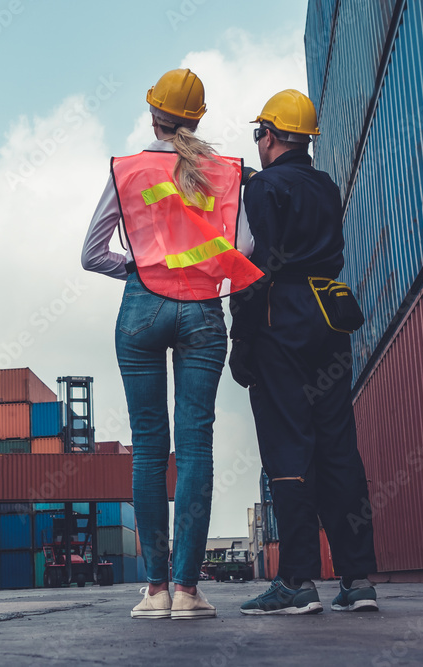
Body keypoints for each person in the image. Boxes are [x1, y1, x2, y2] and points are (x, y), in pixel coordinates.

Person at [82, 68, 262, 620]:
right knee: (196, 445)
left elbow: (91, 254)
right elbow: (246, 246)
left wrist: (139, 269)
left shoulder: (127, 171)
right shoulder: (226, 174)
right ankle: (187, 591)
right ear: (196, 119)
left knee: (149, 445)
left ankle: (154, 590)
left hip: (141, 308)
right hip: (202, 311)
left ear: (153, 114)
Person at [229, 89, 378, 615]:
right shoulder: (327, 186)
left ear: (268, 136)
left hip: (282, 315)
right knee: (338, 446)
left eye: (259, 134)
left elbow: (253, 268)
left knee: (289, 447)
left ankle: (296, 581)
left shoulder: (262, 188)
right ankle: (357, 579)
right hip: (330, 313)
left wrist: (240, 339)